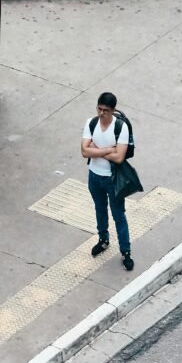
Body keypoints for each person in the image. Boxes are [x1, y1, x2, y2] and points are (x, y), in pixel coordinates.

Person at [81, 92, 134, 271]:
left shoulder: (121, 127)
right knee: (100, 209)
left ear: (112, 111)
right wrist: (108, 149)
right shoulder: (91, 123)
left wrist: (96, 149)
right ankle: (103, 239)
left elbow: (119, 158)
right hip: (94, 176)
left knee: (118, 214)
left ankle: (126, 251)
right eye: (100, 109)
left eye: (106, 110)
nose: (102, 113)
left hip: (112, 179)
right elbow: (83, 151)